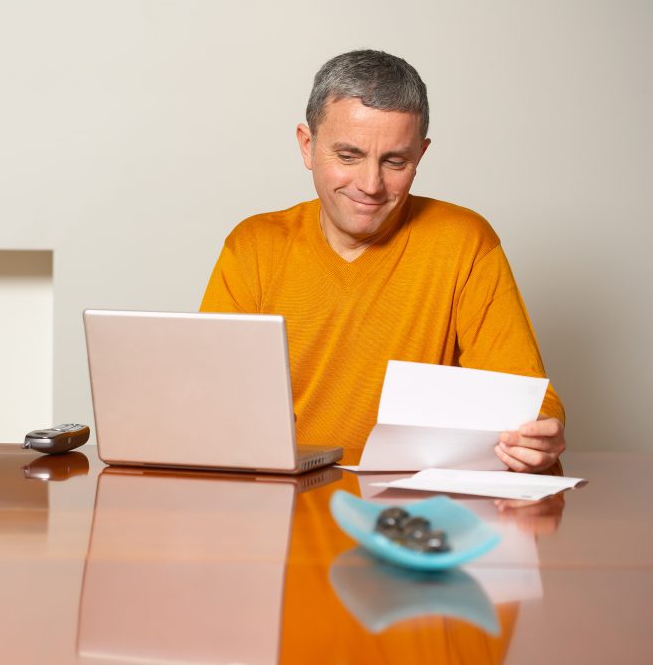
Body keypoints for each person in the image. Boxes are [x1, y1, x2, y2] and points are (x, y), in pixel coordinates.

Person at [199, 49, 565, 474]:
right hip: (279, 499)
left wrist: (536, 432)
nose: (370, 185)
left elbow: (529, 398)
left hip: (415, 511)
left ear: (420, 157)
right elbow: (209, 402)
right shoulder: (254, 247)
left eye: (395, 161)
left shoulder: (465, 242)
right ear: (307, 146)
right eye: (348, 156)